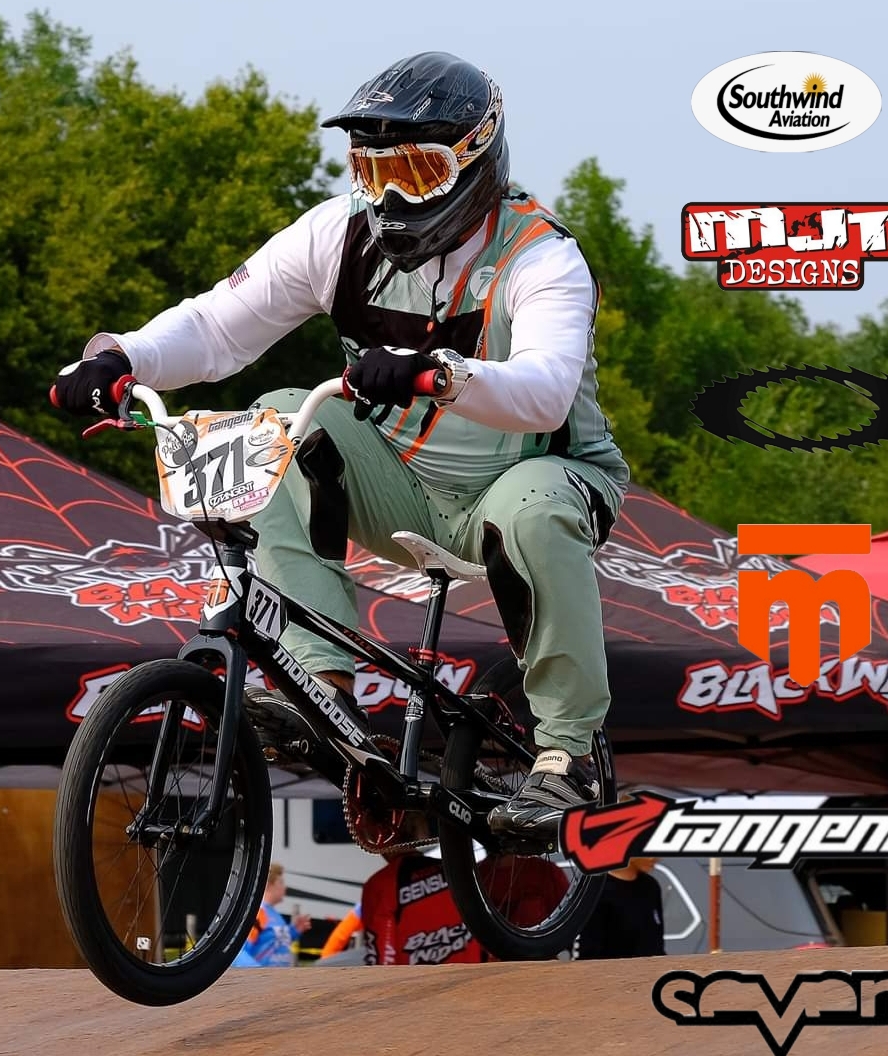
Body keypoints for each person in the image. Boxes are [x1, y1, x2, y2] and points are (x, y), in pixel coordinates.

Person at [51, 50, 630, 842]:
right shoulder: (337, 233)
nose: (389, 195)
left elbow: (545, 389)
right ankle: (318, 684)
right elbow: (218, 326)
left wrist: (442, 374)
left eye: (415, 172)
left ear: (476, 161)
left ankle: (567, 755)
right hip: (402, 483)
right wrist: (122, 357)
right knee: (281, 418)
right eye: (371, 169)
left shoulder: (541, 255)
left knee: (530, 509)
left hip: (538, 476)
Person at [360, 812, 568, 965]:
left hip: (425, 996)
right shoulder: (455, 871)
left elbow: (383, 961)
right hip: (475, 983)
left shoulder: (380, 886)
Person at [570, 857, 665, 960]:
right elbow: (585, 955)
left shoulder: (651, 886)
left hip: (653, 969)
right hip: (609, 969)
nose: (656, 858)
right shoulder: (595, 891)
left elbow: (657, 946)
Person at [233, 862, 312, 967]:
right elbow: (238, 951)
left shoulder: (274, 914)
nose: (285, 887)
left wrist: (294, 930)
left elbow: (274, 942)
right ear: (268, 885)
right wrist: (257, 971)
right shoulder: (258, 913)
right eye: (281, 882)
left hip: (277, 976)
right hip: (262, 976)